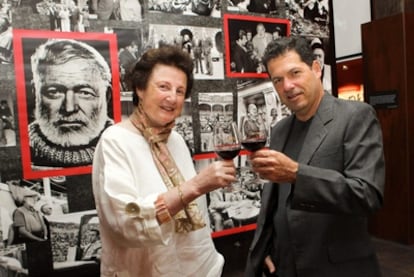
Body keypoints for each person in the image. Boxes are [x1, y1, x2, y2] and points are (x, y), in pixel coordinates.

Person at [245, 36, 385, 277]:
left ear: (316, 69)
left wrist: (297, 174)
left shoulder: (355, 116)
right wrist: (267, 247)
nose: (287, 86)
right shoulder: (279, 130)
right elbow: (275, 202)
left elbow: (367, 195)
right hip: (286, 266)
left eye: (295, 73)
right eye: (278, 80)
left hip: (336, 269)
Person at [92, 45, 236, 276]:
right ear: (140, 88)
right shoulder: (115, 141)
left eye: (180, 91)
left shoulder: (176, 140)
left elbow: (196, 221)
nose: (172, 97)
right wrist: (197, 185)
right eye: (163, 87)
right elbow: (125, 221)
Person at [29, 38, 114, 168]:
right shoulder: (19, 151)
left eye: (85, 93)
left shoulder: (125, 145)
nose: (69, 108)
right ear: (36, 94)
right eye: (54, 92)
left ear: (107, 95)